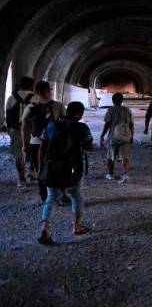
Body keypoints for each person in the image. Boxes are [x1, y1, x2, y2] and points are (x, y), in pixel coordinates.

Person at [37, 101, 94, 245]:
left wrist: (41, 168)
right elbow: (89, 147)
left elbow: (42, 147)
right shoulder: (82, 127)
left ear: (67, 112)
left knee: (51, 197)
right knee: (76, 194)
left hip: (53, 166)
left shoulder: (51, 125)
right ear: (80, 114)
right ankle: (77, 226)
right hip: (73, 167)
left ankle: (45, 228)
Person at [22, 81, 64, 203]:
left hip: (35, 142)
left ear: (35, 91)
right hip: (53, 142)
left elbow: (24, 127)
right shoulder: (58, 105)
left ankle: (44, 195)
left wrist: (24, 145)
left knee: (40, 169)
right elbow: (65, 123)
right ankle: (58, 194)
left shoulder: (29, 107)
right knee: (57, 168)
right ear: (47, 91)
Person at [4, 76, 35, 188]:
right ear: (32, 86)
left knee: (18, 154)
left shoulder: (11, 98)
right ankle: (32, 173)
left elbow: (8, 116)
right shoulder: (35, 98)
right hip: (32, 130)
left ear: (20, 85)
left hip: (16, 130)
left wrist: (9, 130)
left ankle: (21, 178)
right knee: (34, 151)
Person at [99, 93, 133, 183]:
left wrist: (102, 135)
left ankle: (111, 174)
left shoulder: (111, 110)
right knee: (125, 156)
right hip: (125, 136)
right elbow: (131, 124)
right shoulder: (127, 110)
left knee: (110, 156)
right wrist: (131, 136)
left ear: (113, 100)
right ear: (122, 100)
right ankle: (125, 174)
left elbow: (107, 124)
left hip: (113, 136)